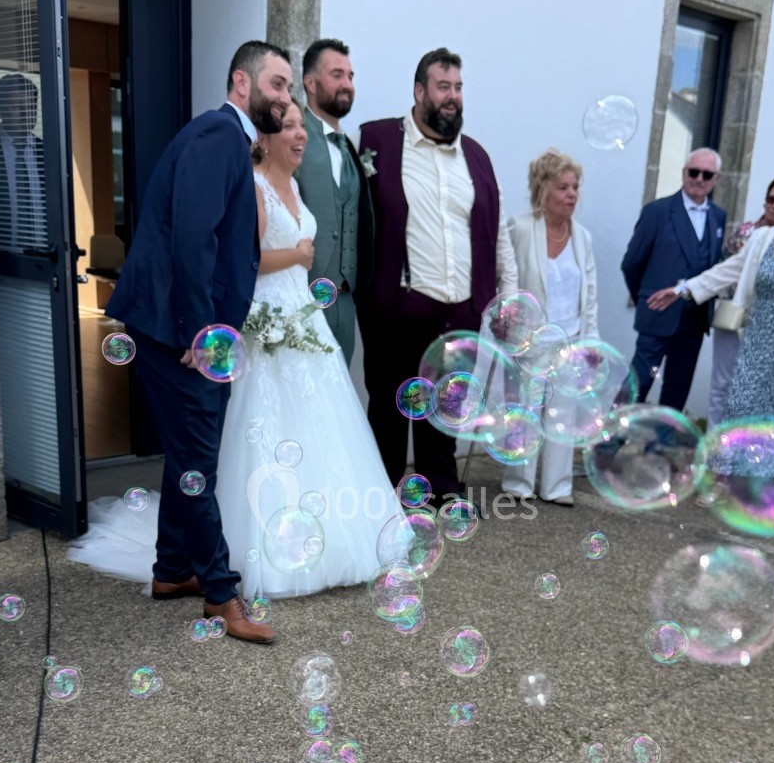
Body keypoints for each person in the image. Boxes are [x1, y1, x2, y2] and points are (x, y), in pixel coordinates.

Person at [71, 100, 400, 601]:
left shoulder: (297, 187)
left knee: (318, 427)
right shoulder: (253, 182)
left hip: (301, 320)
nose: (300, 134)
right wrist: (297, 256)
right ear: (265, 136)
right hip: (260, 320)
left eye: (302, 126)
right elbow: (242, 255)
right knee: (226, 441)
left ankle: (317, 539)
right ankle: (222, 569)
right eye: (289, 126)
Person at [89, 41, 293, 643]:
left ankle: (172, 570)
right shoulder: (217, 135)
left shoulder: (229, 140)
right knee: (197, 460)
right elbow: (192, 238)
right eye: (277, 84)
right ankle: (221, 596)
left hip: (183, 327)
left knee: (189, 455)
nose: (285, 98)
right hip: (180, 331)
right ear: (241, 83)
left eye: (288, 88)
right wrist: (201, 332)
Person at [358, 47, 518, 502]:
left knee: (448, 407)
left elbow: (497, 232)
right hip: (400, 306)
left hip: (462, 310)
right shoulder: (376, 141)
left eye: (458, 88)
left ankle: (442, 493)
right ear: (419, 91)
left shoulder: (477, 156)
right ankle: (385, 497)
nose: (453, 96)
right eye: (443, 86)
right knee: (390, 409)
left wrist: (507, 296)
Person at [647, 171, 774, 440]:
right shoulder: (763, 238)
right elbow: (727, 270)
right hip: (757, 346)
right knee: (743, 416)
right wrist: (683, 289)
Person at [503, 149, 597, 505]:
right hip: (531, 339)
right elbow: (507, 278)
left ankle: (557, 487)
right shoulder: (521, 227)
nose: (572, 194)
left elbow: (590, 295)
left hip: (570, 337)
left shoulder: (582, 237)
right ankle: (518, 483)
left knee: (563, 415)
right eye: (563, 187)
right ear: (543, 189)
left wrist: (591, 343)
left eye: (575, 187)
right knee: (525, 411)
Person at [622, 148, 727, 411]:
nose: (699, 179)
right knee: (638, 384)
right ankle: (612, 434)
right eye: (694, 172)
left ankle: (663, 438)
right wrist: (645, 299)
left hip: (695, 320)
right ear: (684, 173)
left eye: (707, 174)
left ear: (716, 179)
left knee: (677, 391)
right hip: (658, 314)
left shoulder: (718, 217)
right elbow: (632, 263)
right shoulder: (657, 211)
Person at [294, 39, 374, 366]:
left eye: (350, 76)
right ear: (310, 83)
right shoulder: (293, 138)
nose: (347, 84)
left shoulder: (350, 146)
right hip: (303, 301)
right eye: (336, 75)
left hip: (345, 302)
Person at [708, 173, 774, 428]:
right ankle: (714, 439)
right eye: (772, 199)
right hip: (732, 314)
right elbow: (725, 266)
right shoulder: (746, 231)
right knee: (721, 383)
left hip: (764, 323)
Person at [0, 73, 46, 251]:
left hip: (44, 258)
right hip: (1, 258)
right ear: (0, 108)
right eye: (16, 106)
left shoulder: (48, 152)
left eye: (30, 106)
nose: (25, 114)